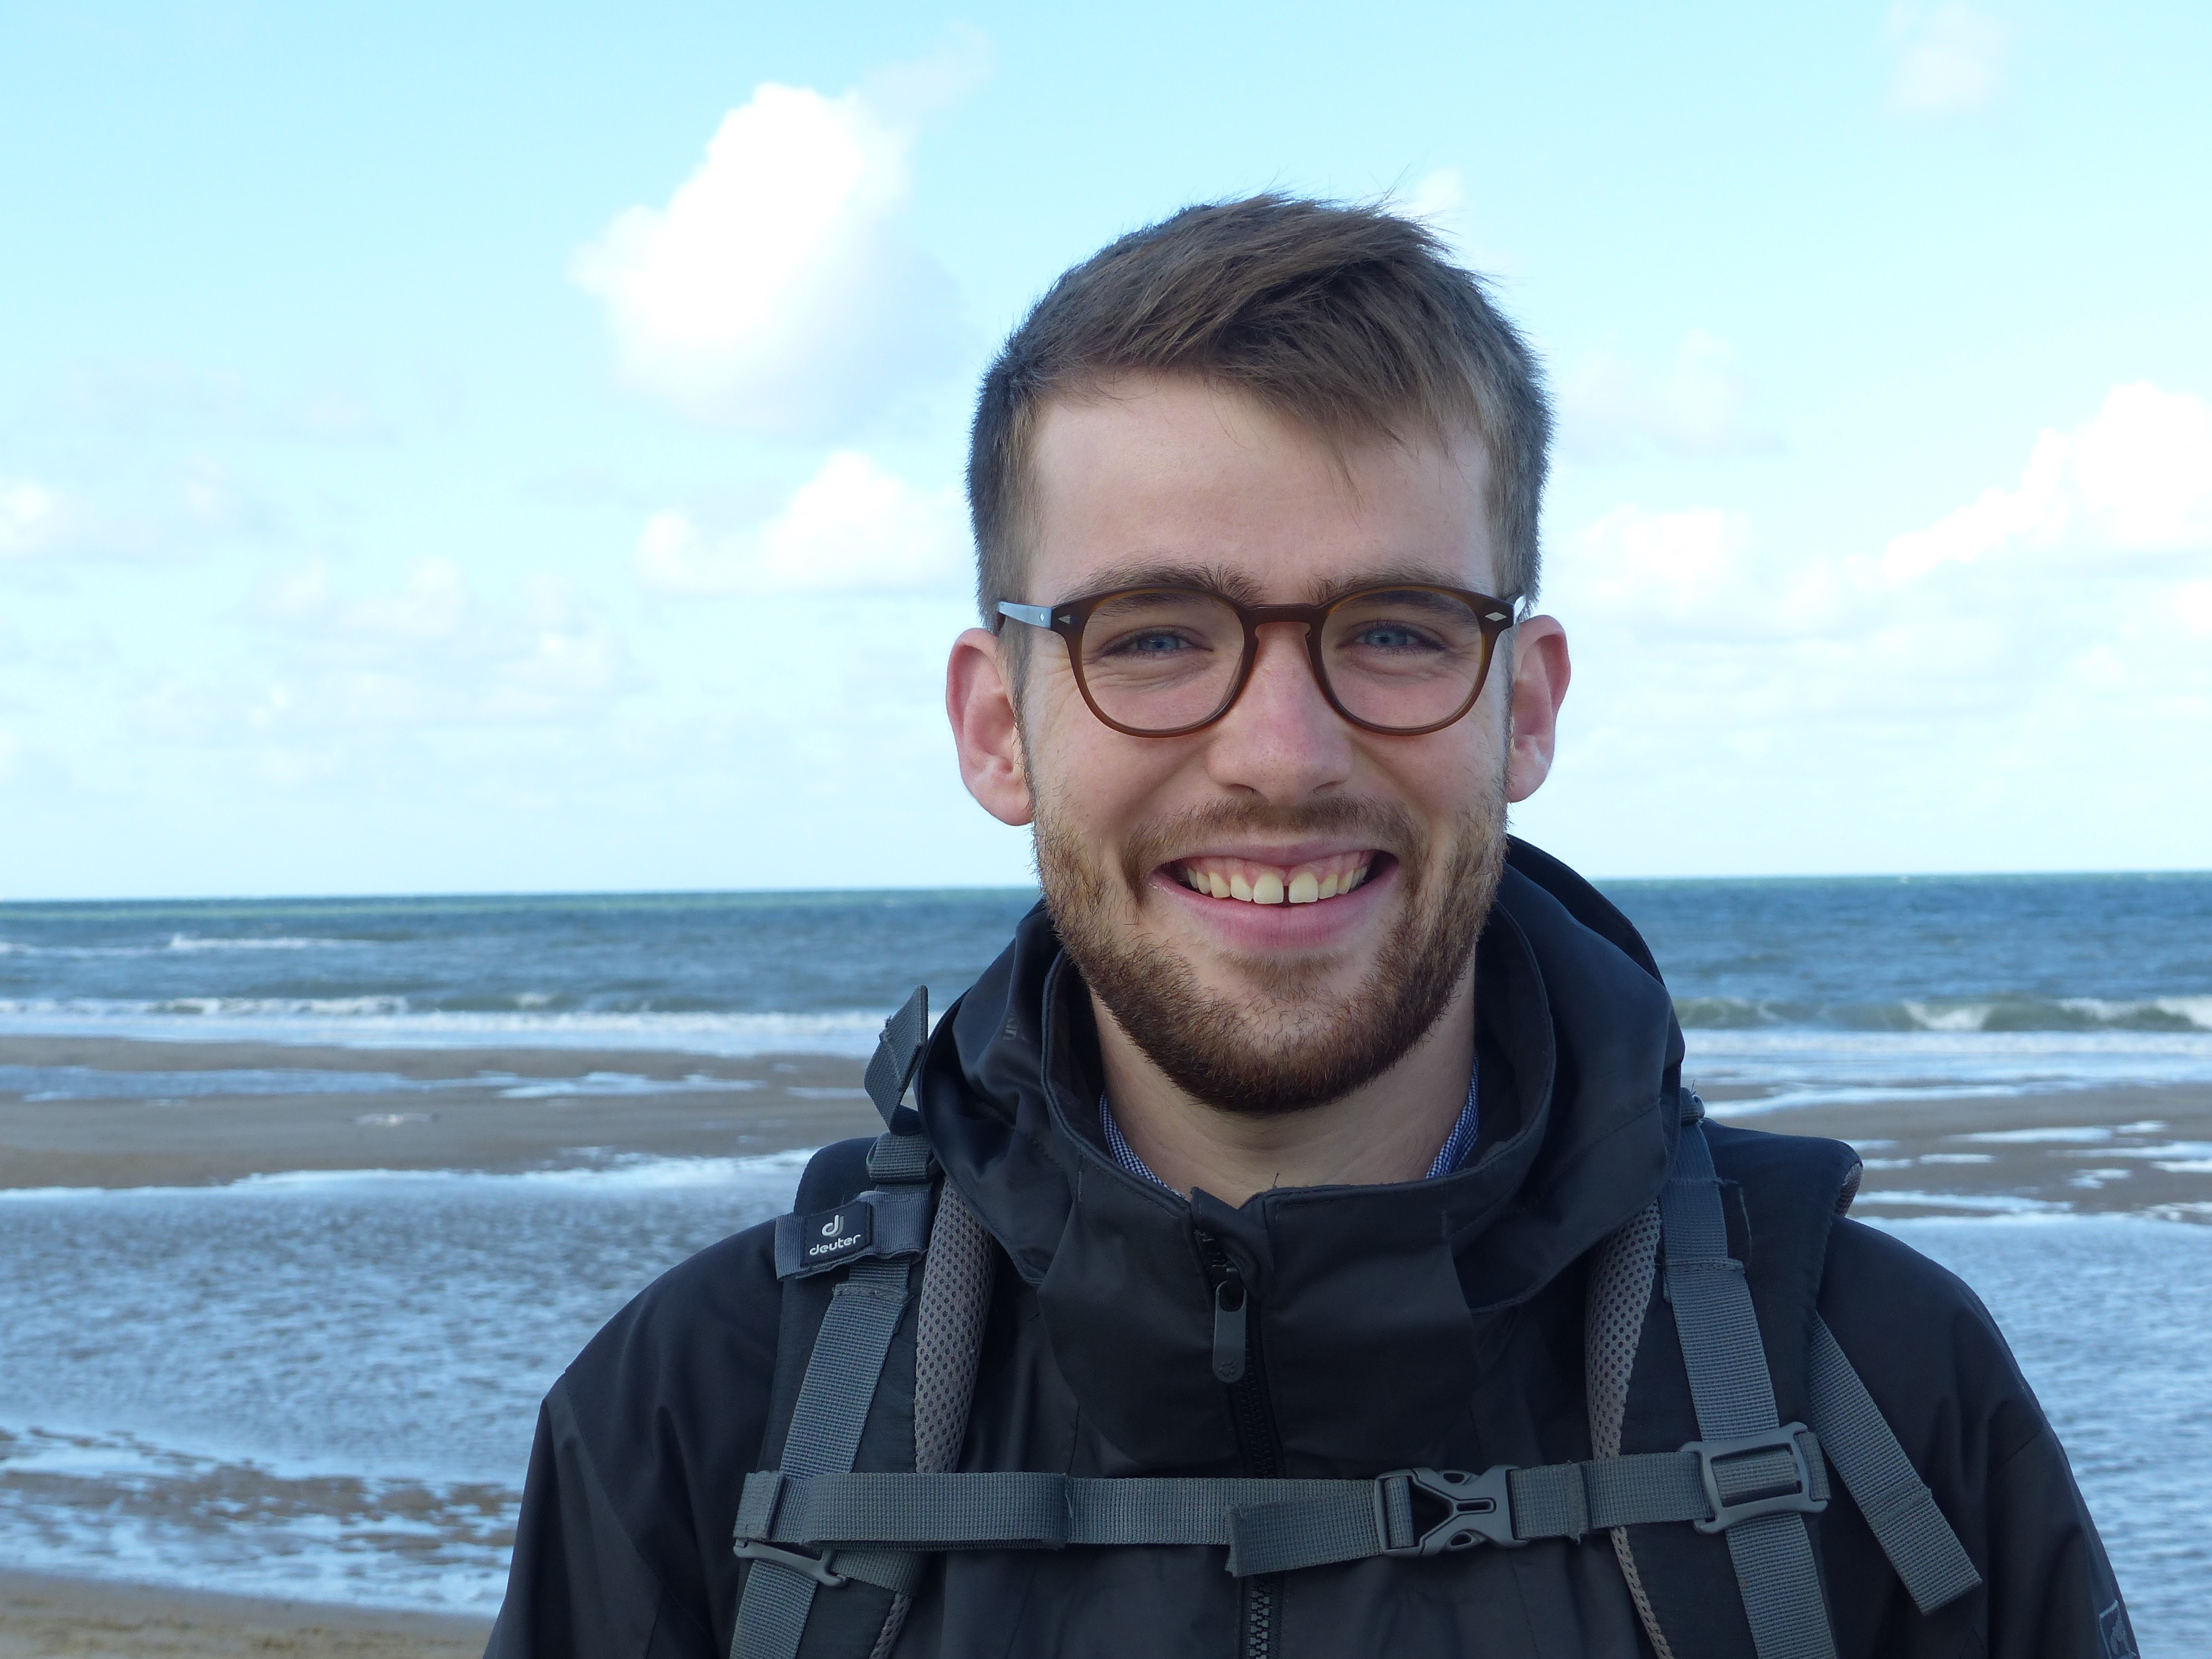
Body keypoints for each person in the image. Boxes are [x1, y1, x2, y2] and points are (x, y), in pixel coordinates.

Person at [485, 196, 2132, 1659]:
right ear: (998, 728)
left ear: (1525, 707)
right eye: (1153, 636)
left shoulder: (1873, 1391)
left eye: (1397, 631)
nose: (1282, 755)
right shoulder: (701, 1418)